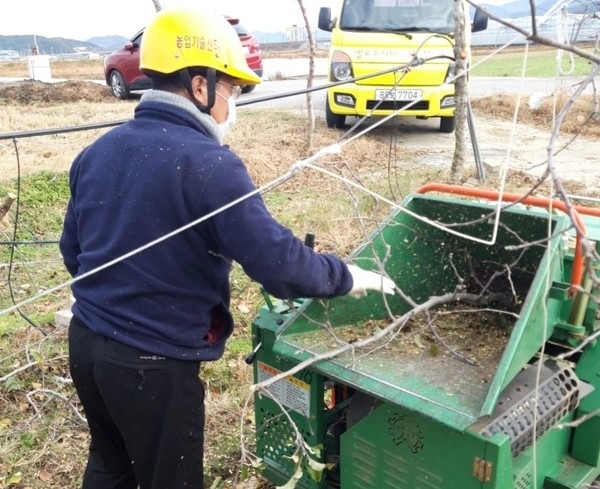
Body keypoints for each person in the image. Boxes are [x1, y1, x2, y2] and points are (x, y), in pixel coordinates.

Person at [59, 6, 396, 489]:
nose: (232, 104)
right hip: (152, 365)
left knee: (109, 465)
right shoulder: (210, 165)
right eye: (232, 90)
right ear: (201, 86)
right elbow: (279, 264)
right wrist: (348, 276)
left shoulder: (98, 151)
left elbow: (74, 252)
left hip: (87, 344)